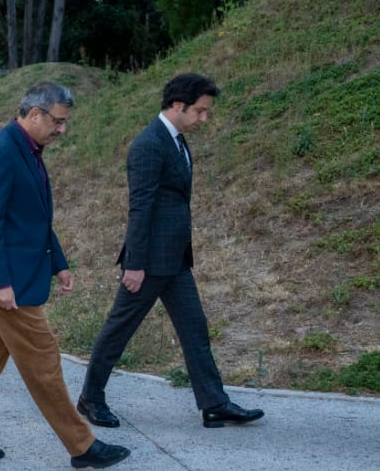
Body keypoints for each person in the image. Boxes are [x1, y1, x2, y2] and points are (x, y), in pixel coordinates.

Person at [0, 81, 130, 471]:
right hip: (9, 282)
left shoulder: (29, 150)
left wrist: (58, 263)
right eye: (58, 121)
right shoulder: (1, 152)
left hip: (19, 274)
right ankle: (82, 445)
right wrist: (0, 282)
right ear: (35, 114)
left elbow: (33, 219)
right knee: (44, 361)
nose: (62, 130)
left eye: (64, 122)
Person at [76, 73, 265, 430]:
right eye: (199, 111)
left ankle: (214, 404)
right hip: (148, 264)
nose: (203, 119)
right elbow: (140, 207)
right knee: (118, 330)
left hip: (175, 261)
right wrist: (134, 264)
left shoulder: (175, 141)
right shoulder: (149, 145)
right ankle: (91, 398)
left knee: (195, 328)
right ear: (177, 106)